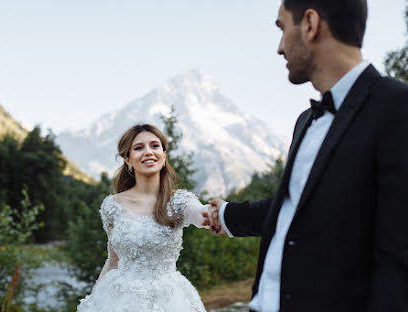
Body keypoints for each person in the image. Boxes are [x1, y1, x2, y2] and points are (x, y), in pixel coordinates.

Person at [202, 0, 408, 311]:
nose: (280, 48)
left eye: (282, 28)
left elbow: (399, 261)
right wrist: (228, 214)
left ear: (310, 24)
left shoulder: (397, 108)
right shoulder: (306, 121)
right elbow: (296, 206)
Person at [77, 124, 208, 312]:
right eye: (139, 148)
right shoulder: (112, 206)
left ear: (164, 155)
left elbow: (203, 215)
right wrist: (93, 301)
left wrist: (216, 213)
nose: (148, 152)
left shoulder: (179, 201)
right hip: (119, 300)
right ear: (128, 159)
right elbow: (113, 260)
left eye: (155, 146)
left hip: (170, 300)